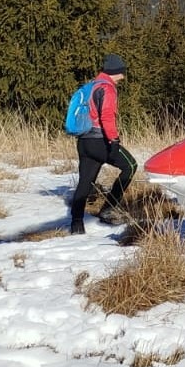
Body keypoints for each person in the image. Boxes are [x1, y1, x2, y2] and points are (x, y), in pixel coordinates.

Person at [69, 54, 137, 235]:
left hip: (84, 141)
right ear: (115, 72)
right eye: (122, 73)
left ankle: (76, 224)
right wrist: (113, 140)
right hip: (100, 142)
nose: (123, 77)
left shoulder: (91, 86)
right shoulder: (108, 89)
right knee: (130, 165)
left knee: (85, 182)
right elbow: (107, 117)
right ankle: (109, 208)